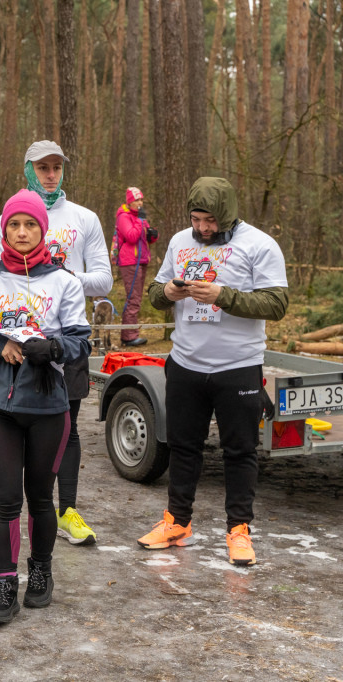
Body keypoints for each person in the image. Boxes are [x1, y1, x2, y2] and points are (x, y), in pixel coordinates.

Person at [0, 189, 90, 625]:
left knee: (40, 499)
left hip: (50, 405)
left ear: (42, 231)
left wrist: (49, 347)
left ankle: (41, 572)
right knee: (5, 500)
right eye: (15, 225)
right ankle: (5, 585)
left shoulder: (64, 281)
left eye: (31, 225)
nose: (23, 232)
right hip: (1, 407)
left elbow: (80, 341)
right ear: (4, 230)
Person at [137, 177, 288, 567]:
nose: (202, 227)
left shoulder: (259, 244)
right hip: (186, 364)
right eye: (196, 219)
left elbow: (276, 303)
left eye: (209, 221)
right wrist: (168, 292)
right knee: (183, 447)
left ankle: (238, 530)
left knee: (239, 451)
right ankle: (177, 522)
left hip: (237, 366)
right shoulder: (178, 242)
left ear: (227, 215)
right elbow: (154, 293)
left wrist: (224, 296)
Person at [0, 140, 112, 546]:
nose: (51, 174)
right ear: (28, 170)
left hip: (64, 339)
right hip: (17, 344)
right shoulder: (8, 216)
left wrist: (62, 279)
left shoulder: (84, 218)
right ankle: (22, 508)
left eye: (57, 167)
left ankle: (67, 511)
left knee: (67, 425)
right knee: (17, 428)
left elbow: (105, 279)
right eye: (43, 168)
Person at [112, 187, 157, 347]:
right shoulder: (124, 217)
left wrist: (152, 234)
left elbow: (144, 238)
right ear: (129, 202)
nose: (139, 203)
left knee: (136, 298)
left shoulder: (140, 217)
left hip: (142, 260)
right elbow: (131, 237)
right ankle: (129, 336)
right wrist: (140, 221)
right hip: (130, 261)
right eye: (136, 200)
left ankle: (129, 333)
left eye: (141, 200)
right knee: (133, 298)